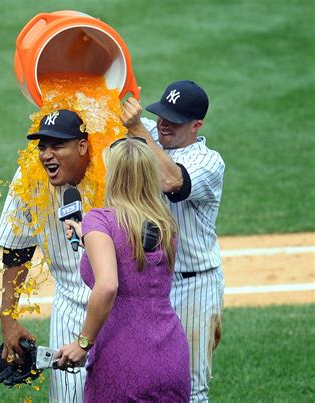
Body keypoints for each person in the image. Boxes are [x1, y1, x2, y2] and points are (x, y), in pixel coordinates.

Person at [56, 137, 191, 402]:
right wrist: (88, 237)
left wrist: (82, 343)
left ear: (114, 175)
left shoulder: (100, 219)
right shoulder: (165, 224)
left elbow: (108, 285)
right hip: (171, 355)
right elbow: (133, 250)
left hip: (122, 354)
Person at [120, 80, 225, 402]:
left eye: (174, 121)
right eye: (161, 115)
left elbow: (171, 181)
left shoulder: (209, 162)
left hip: (194, 287)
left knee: (190, 387)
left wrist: (138, 128)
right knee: (146, 380)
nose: (163, 124)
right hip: (149, 286)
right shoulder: (152, 131)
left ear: (196, 125)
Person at [0, 109, 92, 402]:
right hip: (70, 308)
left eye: (58, 145)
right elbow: (17, 250)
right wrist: (8, 319)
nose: (47, 155)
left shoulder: (115, 168)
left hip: (122, 309)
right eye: (42, 146)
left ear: (82, 146)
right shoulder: (29, 177)